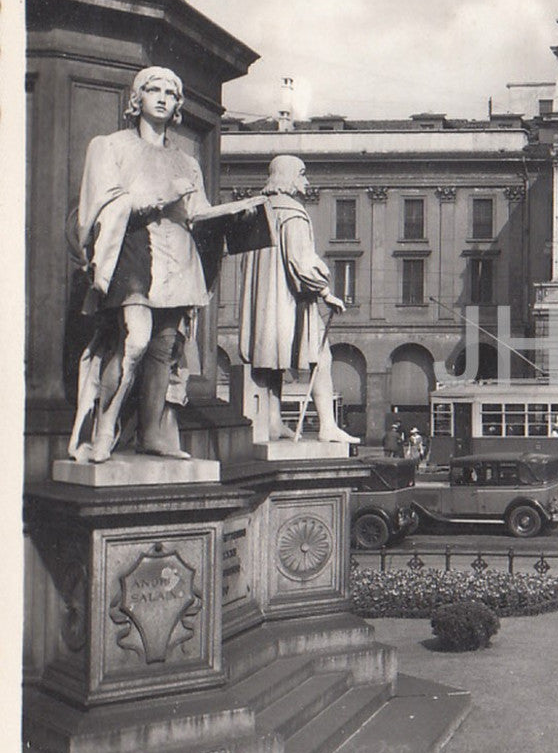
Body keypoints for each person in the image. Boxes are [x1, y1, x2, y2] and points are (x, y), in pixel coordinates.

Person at [68, 66, 245, 463]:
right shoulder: (110, 146)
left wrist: (238, 213)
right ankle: (104, 430)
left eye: (171, 92)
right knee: (135, 342)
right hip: (134, 249)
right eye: (154, 90)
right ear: (138, 98)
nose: (163, 97)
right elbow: (101, 206)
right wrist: (161, 195)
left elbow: (197, 213)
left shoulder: (188, 162)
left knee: (165, 347)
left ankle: (150, 433)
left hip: (177, 257)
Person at [237, 155, 357, 445]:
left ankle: (273, 422)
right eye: (302, 175)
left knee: (270, 362)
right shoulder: (293, 213)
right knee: (323, 358)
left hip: (264, 307)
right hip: (291, 302)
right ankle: (328, 426)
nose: (306, 182)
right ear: (289, 177)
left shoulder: (256, 210)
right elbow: (301, 263)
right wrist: (326, 292)